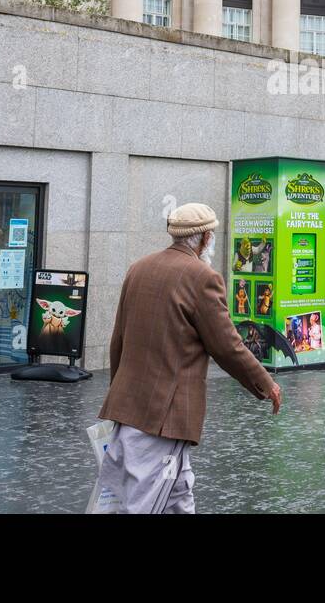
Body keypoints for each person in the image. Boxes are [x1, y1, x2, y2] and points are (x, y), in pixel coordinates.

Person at [96, 202, 282, 513]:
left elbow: (119, 339)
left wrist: (119, 393)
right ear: (206, 238)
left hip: (132, 408)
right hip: (163, 416)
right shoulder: (201, 277)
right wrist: (267, 385)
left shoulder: (138, 268)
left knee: (178, 494)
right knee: (143, 502)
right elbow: (227, 346)